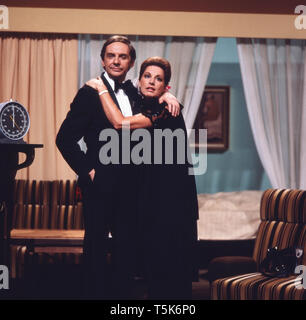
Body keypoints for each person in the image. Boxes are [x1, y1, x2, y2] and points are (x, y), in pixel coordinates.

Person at [56, 36, 180, 299]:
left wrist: (168, 93)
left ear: (131, 62)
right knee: (97, 250)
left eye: (122, 56)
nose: (116, 61)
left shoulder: (135, 92)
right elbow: (64, 138)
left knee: (127, 251)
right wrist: (87, 169)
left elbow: (152, 101)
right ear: (103, 59)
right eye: (111, 55)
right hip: (100, 184)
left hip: (133, 186)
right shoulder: (90, 92)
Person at [86, 56, 199, 300]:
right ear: (139, 80)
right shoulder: (144, 104)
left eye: (159, 79)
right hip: (150, 198)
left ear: (166, 86)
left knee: (168, 271)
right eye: (147, 76)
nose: (152, 81)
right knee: (150, 270)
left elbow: (120, 123)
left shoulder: (166, 109)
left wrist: (101, 88)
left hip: (170, 203)